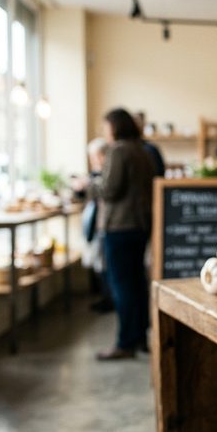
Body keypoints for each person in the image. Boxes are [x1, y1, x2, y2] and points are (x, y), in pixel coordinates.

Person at [93, 108, 156, 360]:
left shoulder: (118, 150)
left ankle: (125, 343)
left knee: (122, 286)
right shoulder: (143, 150)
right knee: (137, 284)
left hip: (119, 226)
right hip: (139, 225)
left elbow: (109, 189)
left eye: (106, 126)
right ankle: (140, 338)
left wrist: (90, 183)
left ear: (115, 127)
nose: (104, 131)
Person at [82, 138, 113, 313]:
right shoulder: (97, 175)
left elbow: (105, 194)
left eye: (94, 157)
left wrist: (87, 185)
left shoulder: (106, 175)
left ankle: (109, 298)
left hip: (106, 224)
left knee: (105, 263)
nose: (93, 161)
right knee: (100, 262)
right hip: (100, 225)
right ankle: (105, 297)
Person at [134, 111, 166, 177]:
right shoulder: (124, 149)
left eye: (140, 123)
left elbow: (160, 173)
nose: (138, 125)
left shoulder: (151, 149)